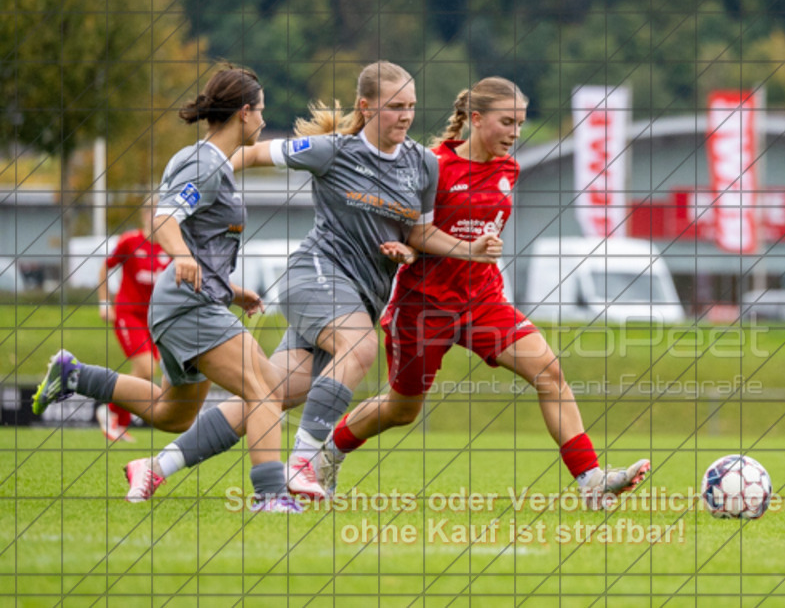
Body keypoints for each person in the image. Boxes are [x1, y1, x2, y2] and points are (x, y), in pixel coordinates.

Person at [326, 77, 651, 508]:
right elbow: (406, 228)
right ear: (476, 120)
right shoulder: (432, 166)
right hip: (425, 307)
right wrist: (408, 247)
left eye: (520, 123)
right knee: (402, 409)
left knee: (549, 373)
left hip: (483, 301)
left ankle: (589, 479)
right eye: (507, 122)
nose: (515, 133)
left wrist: (479, 251)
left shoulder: (508, 170)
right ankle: (327, 450)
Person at [213, 60, 502, 501]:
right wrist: (194, 180)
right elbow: (248, 154)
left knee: (269, 391)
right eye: (395, 106)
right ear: (366, 107)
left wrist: (468, 250)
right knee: (361, 345)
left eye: (411, 106)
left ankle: (159, 464)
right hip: (316, 274)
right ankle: (302, 464)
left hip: (361, 295)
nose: (406, 116)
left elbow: (419, 234)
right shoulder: (331, 149)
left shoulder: (423, 164)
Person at [32, 66, 302, 513]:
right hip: (188, 309)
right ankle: (270, 495)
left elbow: (197, 240)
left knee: (172, 414)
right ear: (244, 112)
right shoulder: (204, 162)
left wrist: (230, 290)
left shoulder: (210, 163)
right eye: (262, 112)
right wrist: (180, 256)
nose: (262, 121)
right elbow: (164, 219)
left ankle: (74, 375)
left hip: (190, 303)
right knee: (264, 389)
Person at [95, 200, 171, 442]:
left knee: (144, 372)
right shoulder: (130, 241)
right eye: (150, 211)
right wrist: (104, 302)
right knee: (147, 368)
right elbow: (103, 268)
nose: (154, 216)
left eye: (159, 211)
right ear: (143, 215)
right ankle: (109, 412)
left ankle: (115, 417)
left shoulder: (170, 247)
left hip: (155, 320)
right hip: (128, 314)